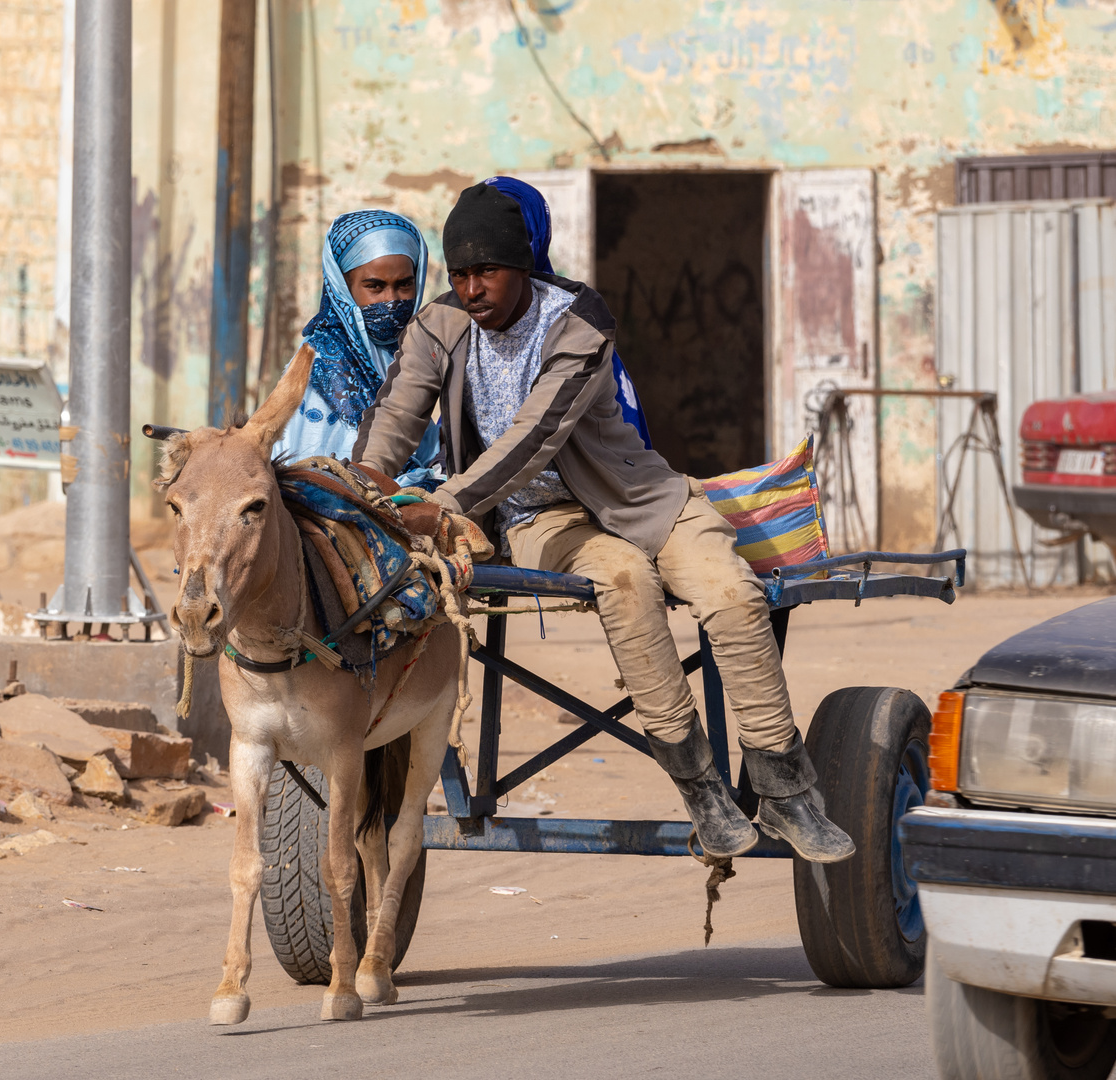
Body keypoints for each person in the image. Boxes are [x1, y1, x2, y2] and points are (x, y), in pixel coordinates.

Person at [352, 182, 854, 863]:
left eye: (486, 272)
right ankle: (700, 789)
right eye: (460, 274)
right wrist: (359, 491)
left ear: (521, 266)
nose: (472, 289)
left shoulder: (579, 319)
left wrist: (446, 502)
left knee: (733, 596)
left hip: (645, 499)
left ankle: (787, 789)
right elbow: (395, 417)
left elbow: (537, 433)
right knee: (622, 583)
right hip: (541, 518)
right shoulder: (439, 326)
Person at [482, 176, 652, 451]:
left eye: (509, 239)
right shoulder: (457, 331)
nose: (493, 254)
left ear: (534, 237)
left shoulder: (573, 327)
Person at [274, 210, 441, 484]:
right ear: (343, 288)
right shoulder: (320, 361)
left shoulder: (415, 351)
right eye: (375, 286)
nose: (391, 300)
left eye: (404, 285)